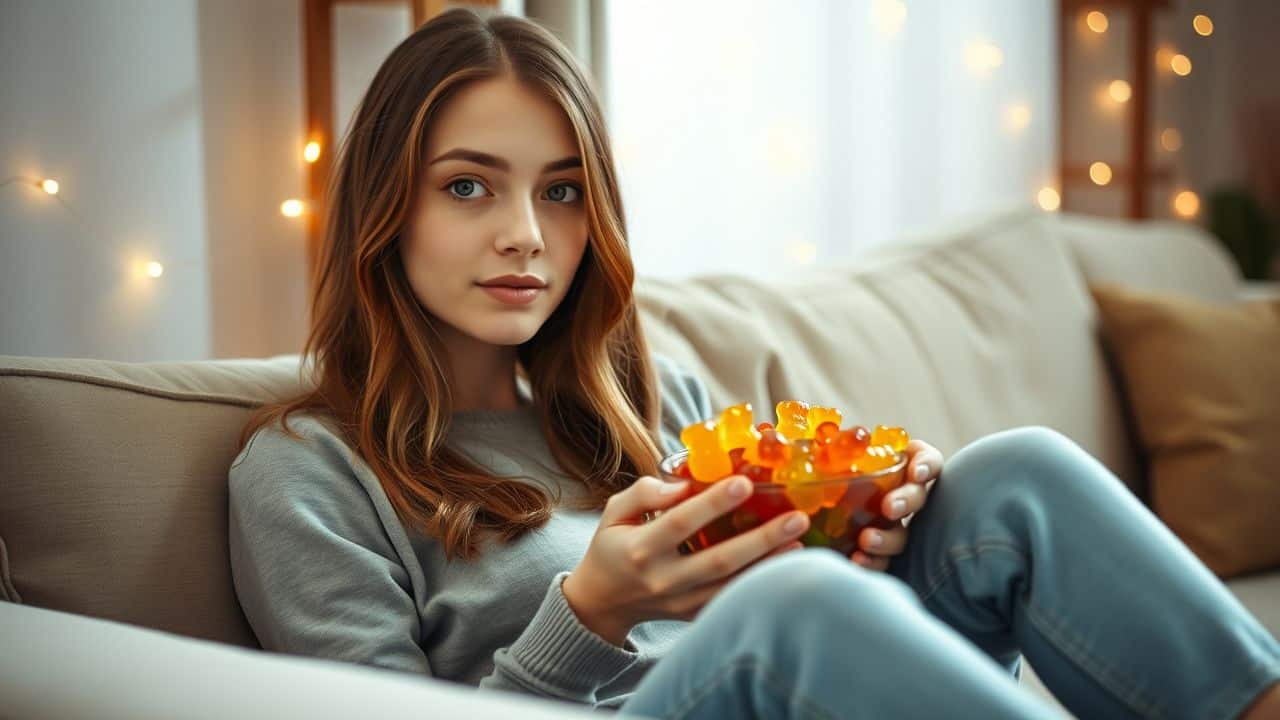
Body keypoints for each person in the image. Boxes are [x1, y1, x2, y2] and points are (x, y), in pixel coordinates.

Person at [227, 8, 1280, 719]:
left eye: (559, 191)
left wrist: (859, 519)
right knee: (787, 616)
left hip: (779, 681)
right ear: (384, 205)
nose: (525, 235)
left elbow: (801, 601)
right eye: (468, 186)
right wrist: (588, 616)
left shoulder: (651, 398)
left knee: (1013, 479)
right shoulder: (307, 472)